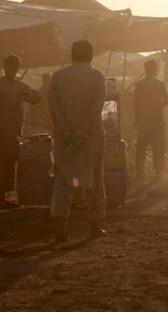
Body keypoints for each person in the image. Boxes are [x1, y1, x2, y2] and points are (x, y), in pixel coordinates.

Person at [48, 40, 107, 241]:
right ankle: (94, 226)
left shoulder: (58, 76)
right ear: (91, 55)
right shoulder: (98, 76)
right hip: (92, 139)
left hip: (64, 140)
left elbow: (53, 106)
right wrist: (82, 134)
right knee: (94, 182)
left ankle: (60, 228)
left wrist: (66, 133)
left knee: (62, 182)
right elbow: (96, 108)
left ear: (72, 54)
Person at [0, 55, 41, 208]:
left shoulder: (20, 86)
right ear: (5, 67)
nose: (13, 69)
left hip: (14, 128)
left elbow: (37, 98)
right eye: (10, 66)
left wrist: (26, 95)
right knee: (0, 161)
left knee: (12, 161)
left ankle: (5, 195)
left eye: (15, 67)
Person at [134, 59, 168, 180]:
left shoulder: (139, 85)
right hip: (156, 118)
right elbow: (167, 98)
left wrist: (137, 118)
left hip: (143, 119)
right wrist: (160, 106)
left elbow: (136, 103)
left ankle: (140, 172)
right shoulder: (159, 84)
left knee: (141, 147)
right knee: (158, 147)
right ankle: (158, 172)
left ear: (146, 70)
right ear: (154, 70)